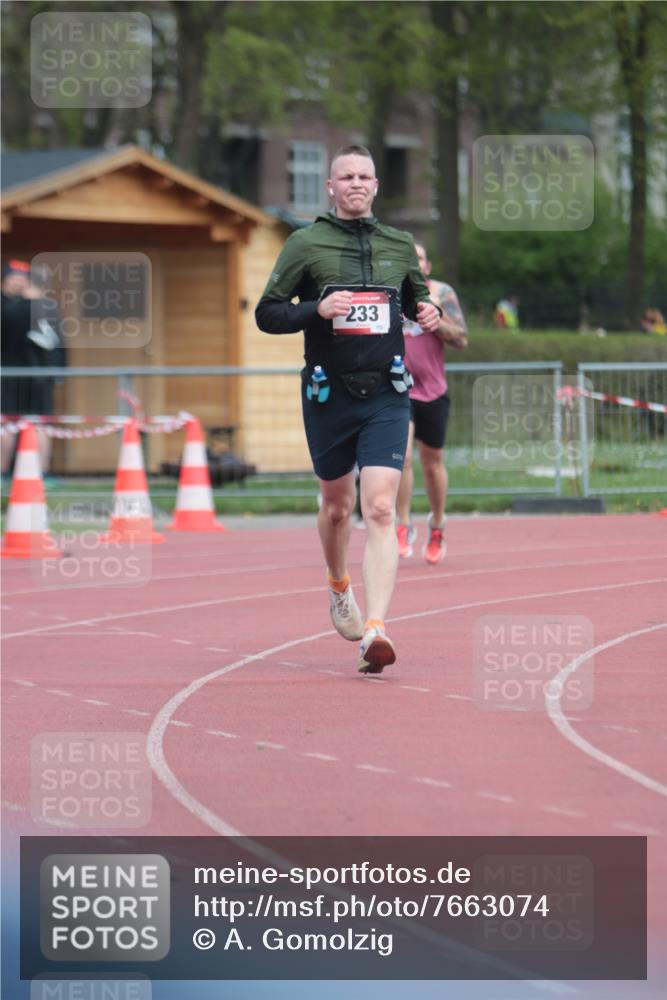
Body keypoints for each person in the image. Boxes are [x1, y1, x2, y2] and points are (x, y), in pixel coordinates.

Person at [255, 144, 441, 674]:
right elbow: (267, 313)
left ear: (376, 186)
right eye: (347, 176)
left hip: (387, 390)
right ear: (331, 188)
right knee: (337, 507)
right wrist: (317, 308)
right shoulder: (305, 243)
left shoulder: (399, 243)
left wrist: (427, 311)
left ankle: (376, 629)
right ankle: (339, 586)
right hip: (327, 393)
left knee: (380, 506)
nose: (356, 183)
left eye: (365, 176)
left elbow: (417, 300)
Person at [397, 243, 468, 563]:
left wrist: (433, 319)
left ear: (426, 265)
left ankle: (437, 524)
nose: (414, 263)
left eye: (420, 258)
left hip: (433, 389)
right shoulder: (389, 294)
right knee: (402, 457)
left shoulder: (441, 293)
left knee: (432, 462)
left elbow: (462, 339)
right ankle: (401, 525)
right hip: (399, 387)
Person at [1, 260, 66, 476]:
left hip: (39, 377)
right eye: (14, 278)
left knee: (40, 425)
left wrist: (58, 372)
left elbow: (58, 342)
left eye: (23, 278)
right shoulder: (8, 307)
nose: (19, 282)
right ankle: (1, 473)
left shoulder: (44, 307)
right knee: (5, 425)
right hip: (7, 378)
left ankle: (41, 474)